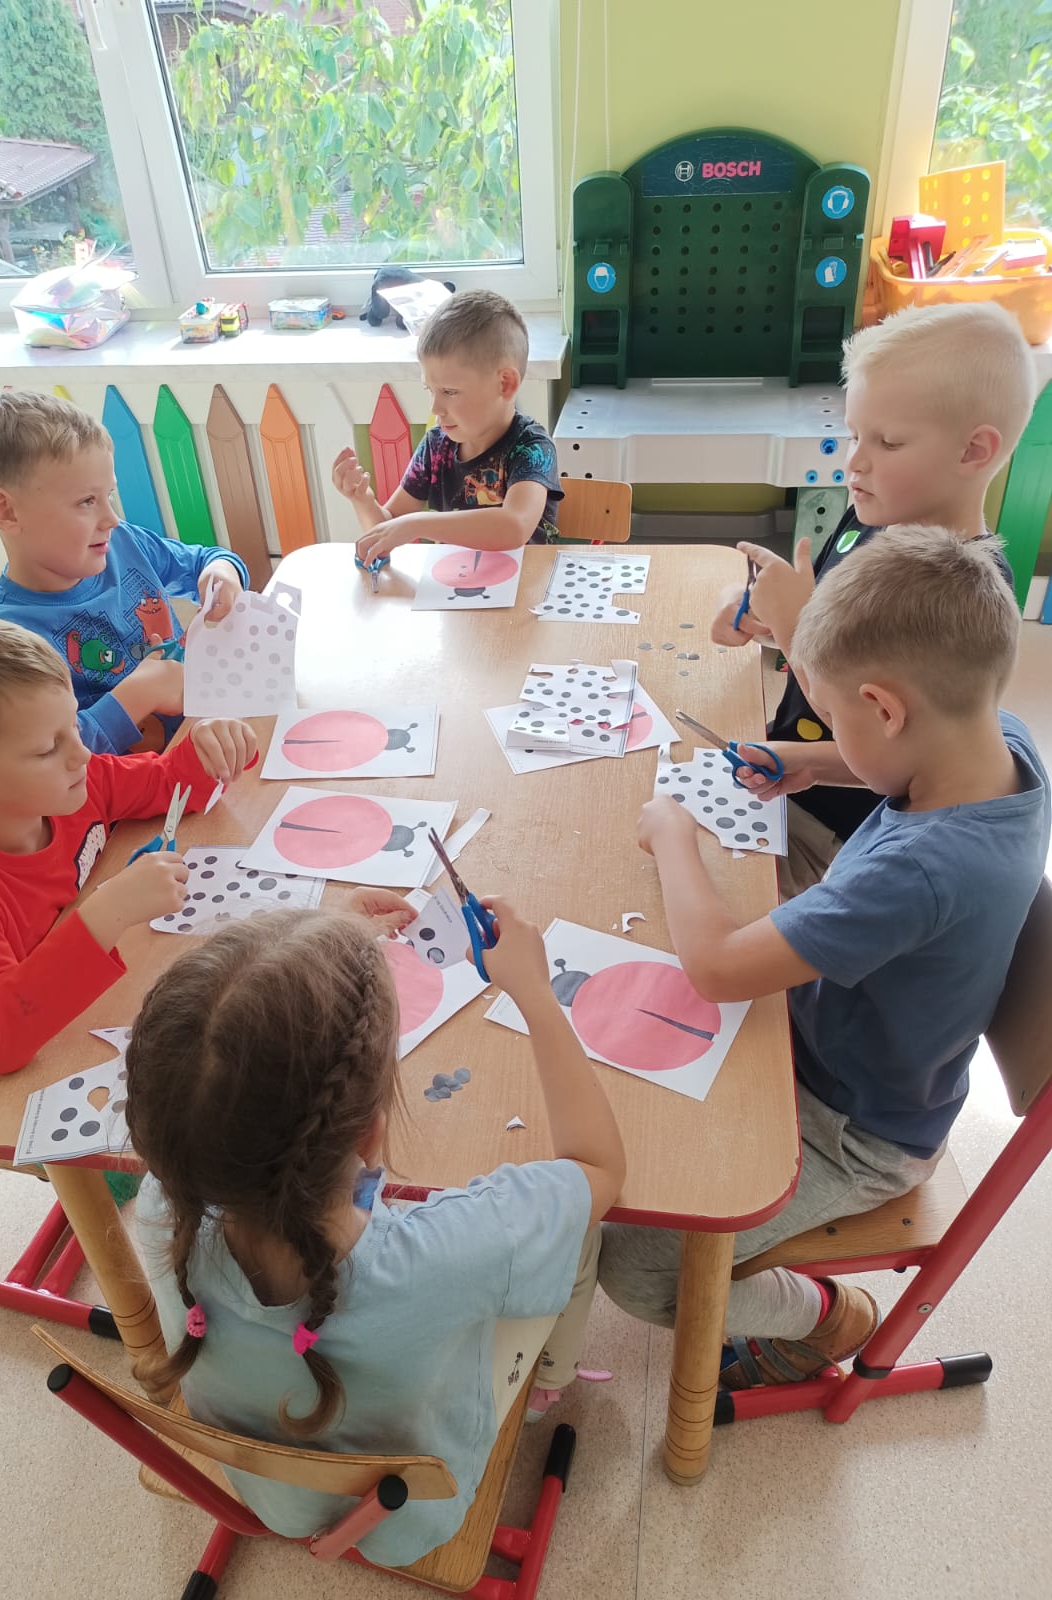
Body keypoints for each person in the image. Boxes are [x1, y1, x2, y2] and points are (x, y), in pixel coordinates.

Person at [602, 527, 1049, 1388]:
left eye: (836, 716)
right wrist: (809, 760)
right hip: (842, 1054)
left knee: (636, 1266)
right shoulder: (1003, 737)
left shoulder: (920, 873)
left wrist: (672, 838)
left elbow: (717, 968)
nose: (835, 732)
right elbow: (886, 752)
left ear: (884, 708)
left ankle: (825, 1319)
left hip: (855, 1131)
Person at [128, 897, 625, 1567]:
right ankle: (546, 1385)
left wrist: (313, 947)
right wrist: (537, 995)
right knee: (581, 1234)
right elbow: (599, 1169)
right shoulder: (451, 1254)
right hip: (405, 1522)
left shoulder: (160, 1205)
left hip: (270, 1495)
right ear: (371, 1134)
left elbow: (246, 1090)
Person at [709, 302, 1038, 896]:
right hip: (791, 776)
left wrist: (794, 627)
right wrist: (755, 609)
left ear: (973, 452)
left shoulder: (963, 591)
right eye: (854, 434)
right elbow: (837, 634)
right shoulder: (873, 517)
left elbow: (889, 740)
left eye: (887, 442)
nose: (854, 461)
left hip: (841, 840)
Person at [0, 611, 260, 1075]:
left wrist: (213, 745)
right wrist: (108, 911)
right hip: (36, 1069)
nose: (82, 753)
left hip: (107, 1006)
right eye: (46, 749)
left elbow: (168, 783)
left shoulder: (73, 781)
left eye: (74, 725)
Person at [0, 390, 250, 757]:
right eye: (87, 502)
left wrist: (222, 573)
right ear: (6, 511)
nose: (111, 519)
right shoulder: (5, 639)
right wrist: (141, 693)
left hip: (214, 735)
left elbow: (206, 560)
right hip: (140, 787)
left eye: (109, 496)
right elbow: (52, 758)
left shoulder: (122, 543)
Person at [331, 289, 562, 565]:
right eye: (430, 390)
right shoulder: (435, 447)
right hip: (455, 586)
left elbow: (514, 527)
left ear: (505, 384)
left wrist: (417, 524)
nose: (435, 408)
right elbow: (385, 530)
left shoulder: (532, 447)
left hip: (526, 587)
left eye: (450, 392)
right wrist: (362, 500)